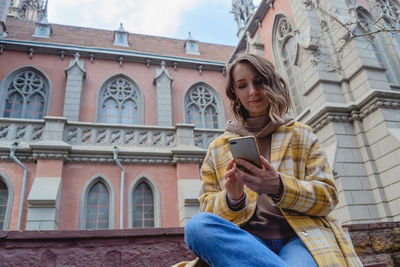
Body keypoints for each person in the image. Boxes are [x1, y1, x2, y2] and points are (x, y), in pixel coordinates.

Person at [173, 53, 362, 267]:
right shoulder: (218, 147)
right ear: (234, 92)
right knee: (197, 226)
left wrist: (279, 186)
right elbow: (207, 208)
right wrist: (232, 199)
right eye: (242, 85)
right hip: (247, 242)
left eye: (259, 82)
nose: (252, 91)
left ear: (270, 82)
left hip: (300, 238)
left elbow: (328, 198)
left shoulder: (301, 134)